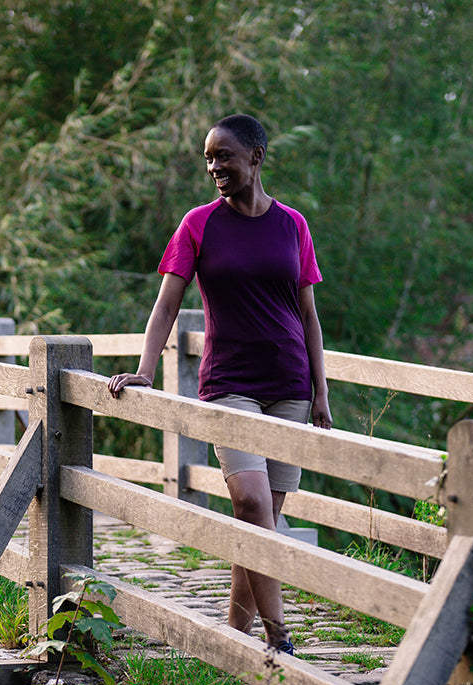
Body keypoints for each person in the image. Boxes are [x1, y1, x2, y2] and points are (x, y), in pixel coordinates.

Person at [108, 113, 331, 655]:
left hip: (289, 385)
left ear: (256, 157)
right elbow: (167, 304)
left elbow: (308, 314)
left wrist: (321, 393)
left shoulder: (293, 225)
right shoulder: (198, 224)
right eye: (208, 157)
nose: (214, 166)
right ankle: (280, 637)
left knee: (262, 519)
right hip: (229, 382)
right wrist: (145, 367)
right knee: (252, 503)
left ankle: (236, 635)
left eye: (224, 155)